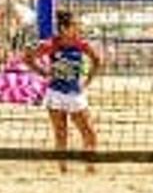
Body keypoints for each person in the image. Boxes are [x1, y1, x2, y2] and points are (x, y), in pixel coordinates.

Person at [25, 10, 102, 173]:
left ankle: (90, 167)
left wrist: (87, 81)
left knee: (89, 132)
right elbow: (27, 58)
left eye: (78, 25)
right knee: (61, 133)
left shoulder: (81, 44)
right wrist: (43, 72)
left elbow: (97, 60)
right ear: (63, 28)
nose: (78, 28)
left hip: (75, 93)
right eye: (75, 25)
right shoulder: (51, 44)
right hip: (55, 93)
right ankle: (63, 169)